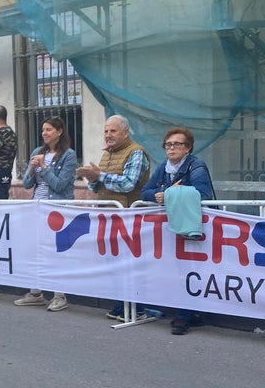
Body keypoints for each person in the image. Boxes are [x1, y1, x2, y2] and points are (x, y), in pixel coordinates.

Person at [141, 126, 215, 335]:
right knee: (177, 268)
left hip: (194, 225)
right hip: (173, 226)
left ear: (188, 148)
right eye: (168, 144)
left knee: (189, 269)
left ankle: (183, 316)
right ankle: (191, 312)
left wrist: (170, 194)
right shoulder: (163, 168)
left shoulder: (196, 166)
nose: (171, 148)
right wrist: (162, 193)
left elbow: (203, 194)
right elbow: (145, 191)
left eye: (177, 144)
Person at [77, 114, 152, 319]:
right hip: (108, 216)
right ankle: (121, 303)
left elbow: (128, 184)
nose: (108, 135)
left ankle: (138, 308)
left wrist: (100, 175)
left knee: (130, 262)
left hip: (128, 217)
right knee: (113, 262)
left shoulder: (136, 153)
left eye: (113, 131)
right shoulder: (107, 154)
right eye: (106, 131)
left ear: (125, 133)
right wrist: (92, 178)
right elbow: (97, 187)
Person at [14, 116, 78, 312]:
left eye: (49, 129)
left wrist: (44, 167)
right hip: (37, 207)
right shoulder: (37, 152)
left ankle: (60, 295)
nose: (44, 133)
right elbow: (27, 184)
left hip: (57, 208)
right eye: (43, 130)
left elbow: (60, 185)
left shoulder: (69, 155)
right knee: (35, 250)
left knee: (56, 251)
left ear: (59, 132)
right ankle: (36, 293)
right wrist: (33, 167)